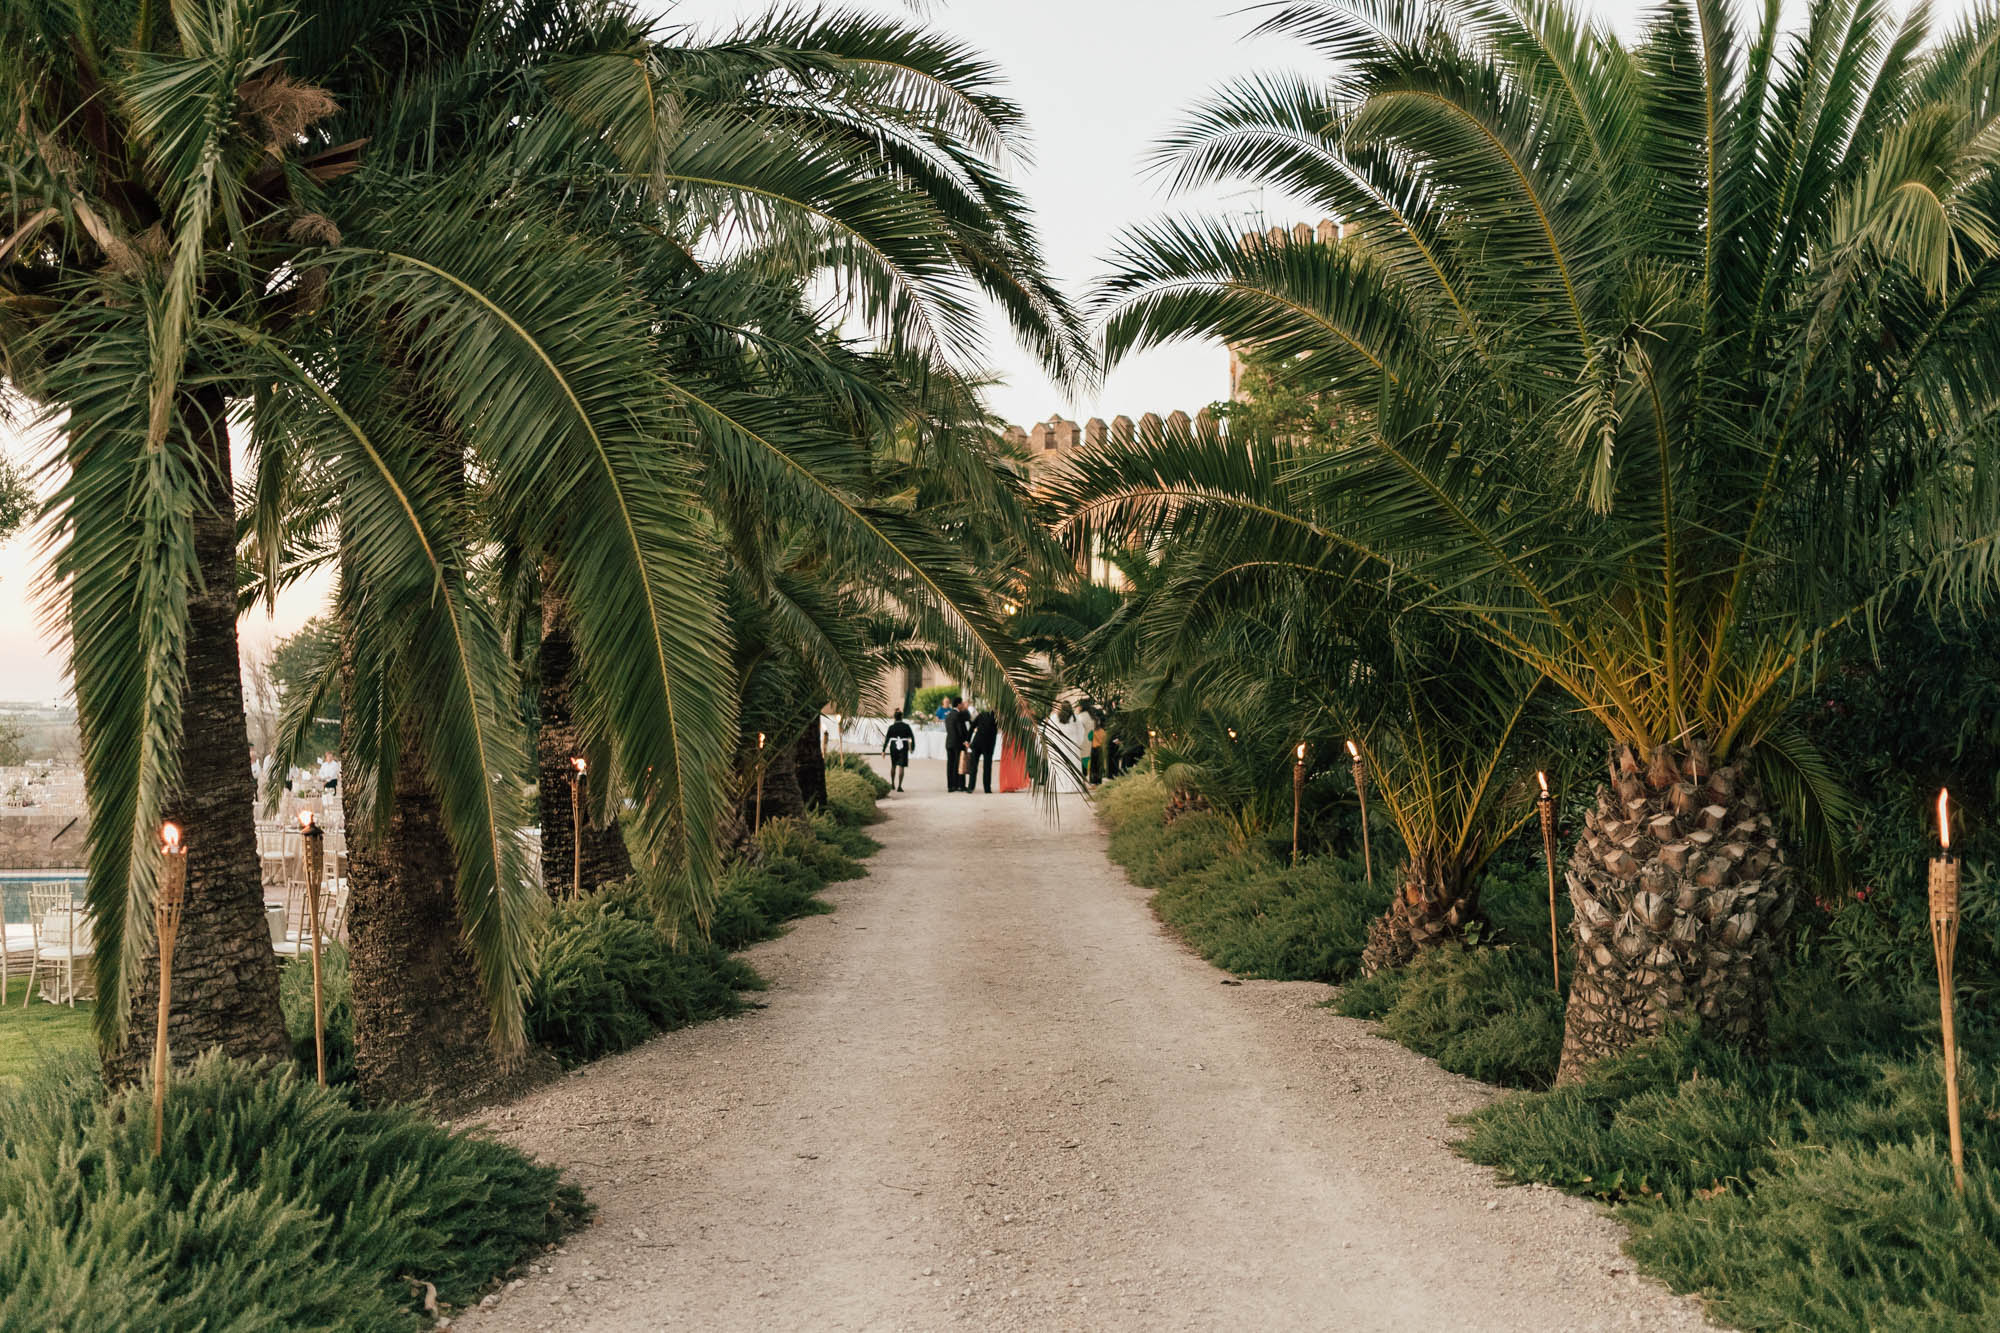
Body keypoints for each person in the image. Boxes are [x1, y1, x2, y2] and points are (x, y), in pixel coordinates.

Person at [881, 710, 915, 792]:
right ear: (901, 717)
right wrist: (912, 748)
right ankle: (899, 786)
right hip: (904, 746)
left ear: (894, 718)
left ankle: (892, 784)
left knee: (893, 765)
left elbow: (887, 739)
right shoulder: (906, 726)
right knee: (901, 766)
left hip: (893, 746)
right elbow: (911, 737)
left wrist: (883, 750)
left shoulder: (891, 727)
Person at [968, 706, 999, 793]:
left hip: (977, 743)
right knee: (987, 768)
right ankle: (987, 789)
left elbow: (972, 727)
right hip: (988, 746)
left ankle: (971, 787)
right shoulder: (998, 719)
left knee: (973, 767)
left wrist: (967, 740)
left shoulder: (982, 715)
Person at [943, 695, 970, 792]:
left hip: (949, 742)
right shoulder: (958, 715)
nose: (963, 705)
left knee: (950, 764)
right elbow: (960, 730)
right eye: (962, 704)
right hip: (957, 743)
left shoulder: (948, 715)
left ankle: (950, 785)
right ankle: (960, 785)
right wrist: (965, 741)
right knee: (959, 764)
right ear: (958, 704)